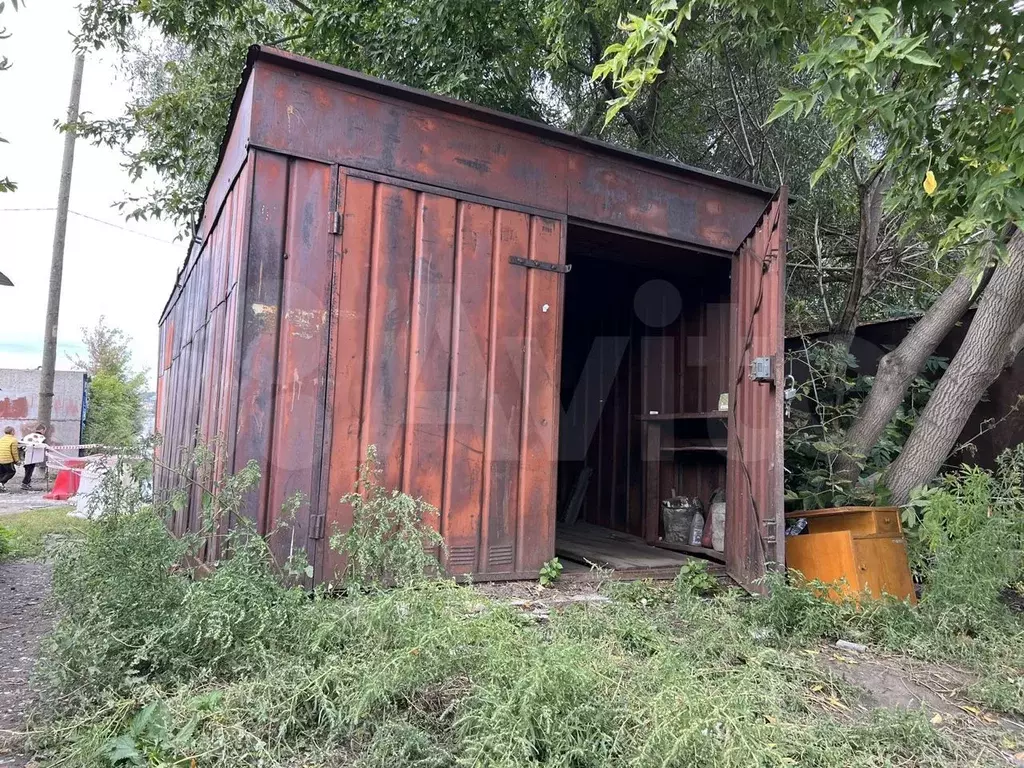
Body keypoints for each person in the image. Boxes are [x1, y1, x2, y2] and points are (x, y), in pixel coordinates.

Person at [20, 423, 46, 490]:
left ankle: (27, 483)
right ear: (42, 430)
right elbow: (41, 446)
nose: (44, 432)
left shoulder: (28, 436)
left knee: (27, 469)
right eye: (44, 430)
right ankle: (25, 483)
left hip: (25, 455)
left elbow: (21, 442)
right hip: (33, 456)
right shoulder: (41, 437)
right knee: (30, 470)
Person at [0, 426, 20, 492]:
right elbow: (14, 452)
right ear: (12, 432)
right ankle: (1, 483)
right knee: (11, 472)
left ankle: (1, 486)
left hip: (0, 459)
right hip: (7, 460)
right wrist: (17, 461)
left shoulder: (1, 439)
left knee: (2, 473)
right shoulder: (14, 440)